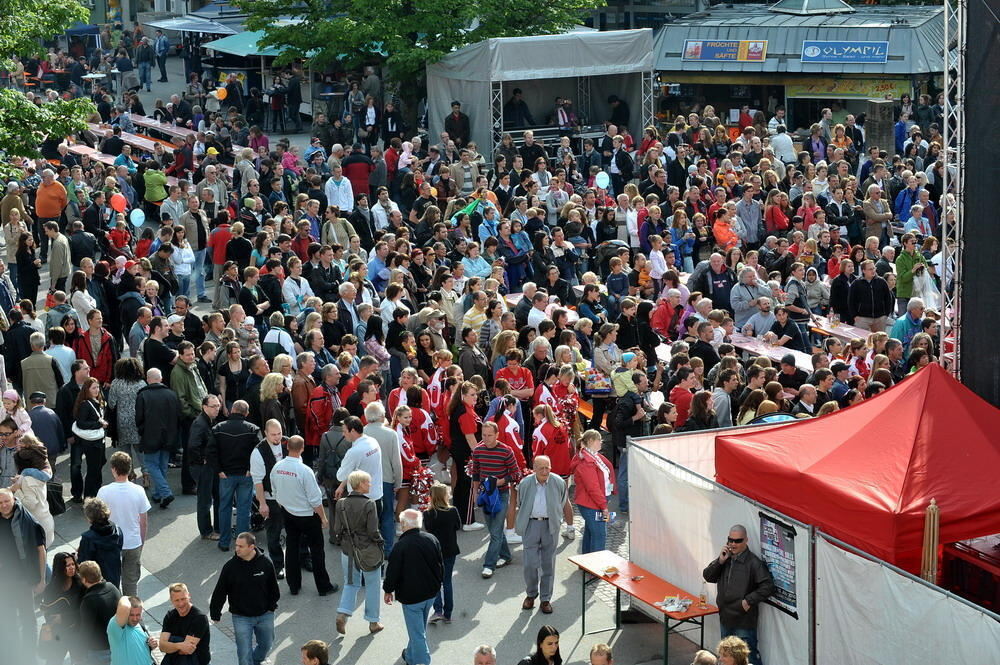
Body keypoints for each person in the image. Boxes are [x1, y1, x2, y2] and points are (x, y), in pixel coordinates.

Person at [270, 434, 337, 596]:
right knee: (317, 550)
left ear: (287, 447)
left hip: (288, 513)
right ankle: (323, 586)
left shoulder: (277, 467)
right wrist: (323, 517)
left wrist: (286, 506)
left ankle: (294, 586)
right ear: (302, 449)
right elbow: (315, 499)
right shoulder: (305, 471)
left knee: (292, 548)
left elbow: (275, 493)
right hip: (307, 516)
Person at [702, 524, 776, 665]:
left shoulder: (754, 563)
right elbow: (708, 576)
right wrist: (720, 561)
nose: (733, 544)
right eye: (730, 540)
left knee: (749, 658)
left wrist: (748, 601)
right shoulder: (725, 559)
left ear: (746, 540)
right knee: (728, 658)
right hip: (725, 618)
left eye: (738, 541)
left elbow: (768, 586)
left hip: (744, 621)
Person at [383, 509, 444, 665]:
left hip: (411, 598)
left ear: (403, 524)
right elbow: (440, 565)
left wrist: (388, 590)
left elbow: (392, 571)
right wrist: (439, 584)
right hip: (430, 593)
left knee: (417, 634)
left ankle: (423, 661)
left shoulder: (401, 545)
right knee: (418, 629)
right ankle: (410, 656)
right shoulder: (431, 539)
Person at [209, 532, 280, 665]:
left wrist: (271, 607)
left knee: (266, 645)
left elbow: (274, 588)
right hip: (241, 617)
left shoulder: (265, 563)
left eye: (241, 546)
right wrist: (215, 612)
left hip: (265, 615)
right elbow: (220, 591)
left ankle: (256, 660)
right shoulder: (230, 567)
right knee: (244, 653)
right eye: (236, 545)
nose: (237, 549)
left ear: (251, 547)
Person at [332, 469, 385, 635]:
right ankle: (373, 622)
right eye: (368, 481)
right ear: (360, 484)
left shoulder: (341, 504)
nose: (370, 484)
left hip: (348, 551)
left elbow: (336, 530)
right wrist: (380, 542)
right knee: (373, 585)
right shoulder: (369, 504)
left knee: (351, 583)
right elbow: (372, 531)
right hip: (367, 550)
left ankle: (343, 613)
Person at [515, 455, 568, 614]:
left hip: (550, 525)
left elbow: (563, 501)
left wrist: (559, 520)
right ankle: (531, 594)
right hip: (531, 524)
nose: (545, 471)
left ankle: (545, 599)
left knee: (548, 564)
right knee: (530, 564)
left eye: (548, 467)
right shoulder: (525, 483)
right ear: (534, 469)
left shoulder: (558, 482)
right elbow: (520, 502)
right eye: (541, 468)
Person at [470, 420, 521, 578]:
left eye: (489, 435)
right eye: (484, 435)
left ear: (497, 435)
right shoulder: (478, 450)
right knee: (494, 530)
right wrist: (475, 493)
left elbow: (516, 473)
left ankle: (488, 565)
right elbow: (476, 473)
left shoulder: (506, 451)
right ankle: (506, 556)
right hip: (485, 493)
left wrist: (500, 481)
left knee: (496, 530)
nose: (486, 438)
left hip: (501, 494)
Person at [0, 487, 47, 657]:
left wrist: (42, 579)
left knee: (28, 619)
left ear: (13, 500)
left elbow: (41, 551)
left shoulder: (27, 522)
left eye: (7, 501)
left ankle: (29, 656)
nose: (4, 505)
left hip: (23, 580)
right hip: (4, 581)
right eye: (0, 502)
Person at [209, 401, 261, 552]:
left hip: (226, 475)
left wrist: (219, 470)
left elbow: (211, 452)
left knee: (224, 507)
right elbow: (259, 452)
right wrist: (251, 469)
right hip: (246, 475)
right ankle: (242, 545)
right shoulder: (253, 429)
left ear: (232, 410)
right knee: (244, 509)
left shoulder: (218, 428)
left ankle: (224, 542)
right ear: (246, 413)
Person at [96, 451, 150, 598]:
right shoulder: (138, 491)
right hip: (133, 543)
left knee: (112, 584)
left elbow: (98, 521)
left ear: (113, 469)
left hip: (111, 543)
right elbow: (143, 521)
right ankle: (134, 617)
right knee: (131, 585)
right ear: (129, 468)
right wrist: (141, 542)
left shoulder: (104, 492)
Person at [135, 367, 181, 509]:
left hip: (150, 436)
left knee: (151, 465)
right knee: (162, 465)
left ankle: (165, 493)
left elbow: (139, 419)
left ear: (148, 380)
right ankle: (157, 494)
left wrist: (143, 431)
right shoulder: (172, 395)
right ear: (161, 378)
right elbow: (178, 416)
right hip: (169, 436)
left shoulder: (143, 396)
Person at [571, 429, 615, 554]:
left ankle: (586, 563)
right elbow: (593, 488)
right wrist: (604, 506)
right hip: (593, 503)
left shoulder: (590, 457)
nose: (601, 442)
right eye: (599, 440)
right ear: (591, 441)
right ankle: (596, 567)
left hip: (593, 502)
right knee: (599, 535)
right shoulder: (587, 462)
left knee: (591, 532)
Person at [78, 560, 122, 665]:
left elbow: (86, 630)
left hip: (99, 651)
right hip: (116, 644)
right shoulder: (112, 588)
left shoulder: (89, 600)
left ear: (84, 579)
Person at [159, 582, 211, 665]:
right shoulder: (170, 616)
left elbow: (187, 650)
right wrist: (179, 645)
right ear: (171, 600)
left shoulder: (199, 618)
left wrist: (170, 644)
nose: (181, 604)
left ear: (189, 596)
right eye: (177, 600)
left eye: (183, 599)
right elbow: (162, 646)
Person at [108, 595, 158, 665]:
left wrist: (151, 645)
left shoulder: (140, 625)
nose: (135, 619)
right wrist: (126, 597)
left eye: (138, 615)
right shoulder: (116, 627)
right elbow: (124, 607)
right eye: (131, 615)